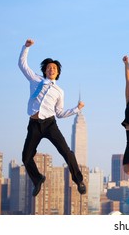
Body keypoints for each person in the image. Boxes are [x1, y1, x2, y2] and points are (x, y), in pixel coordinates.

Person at [18, 39, 86, 197]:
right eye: (49, 67)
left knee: (66, 152)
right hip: (34, 125)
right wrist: (26, 47)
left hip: (50, 124)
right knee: (26, 156)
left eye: (54, 68)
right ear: (44, 70)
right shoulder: (35, 79)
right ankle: (38, 179)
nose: (51, 69)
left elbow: (60, 113)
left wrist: (77, 109)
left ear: (58, 72)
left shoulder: (59, 91)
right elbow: (22, 65)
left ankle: (79, 180)